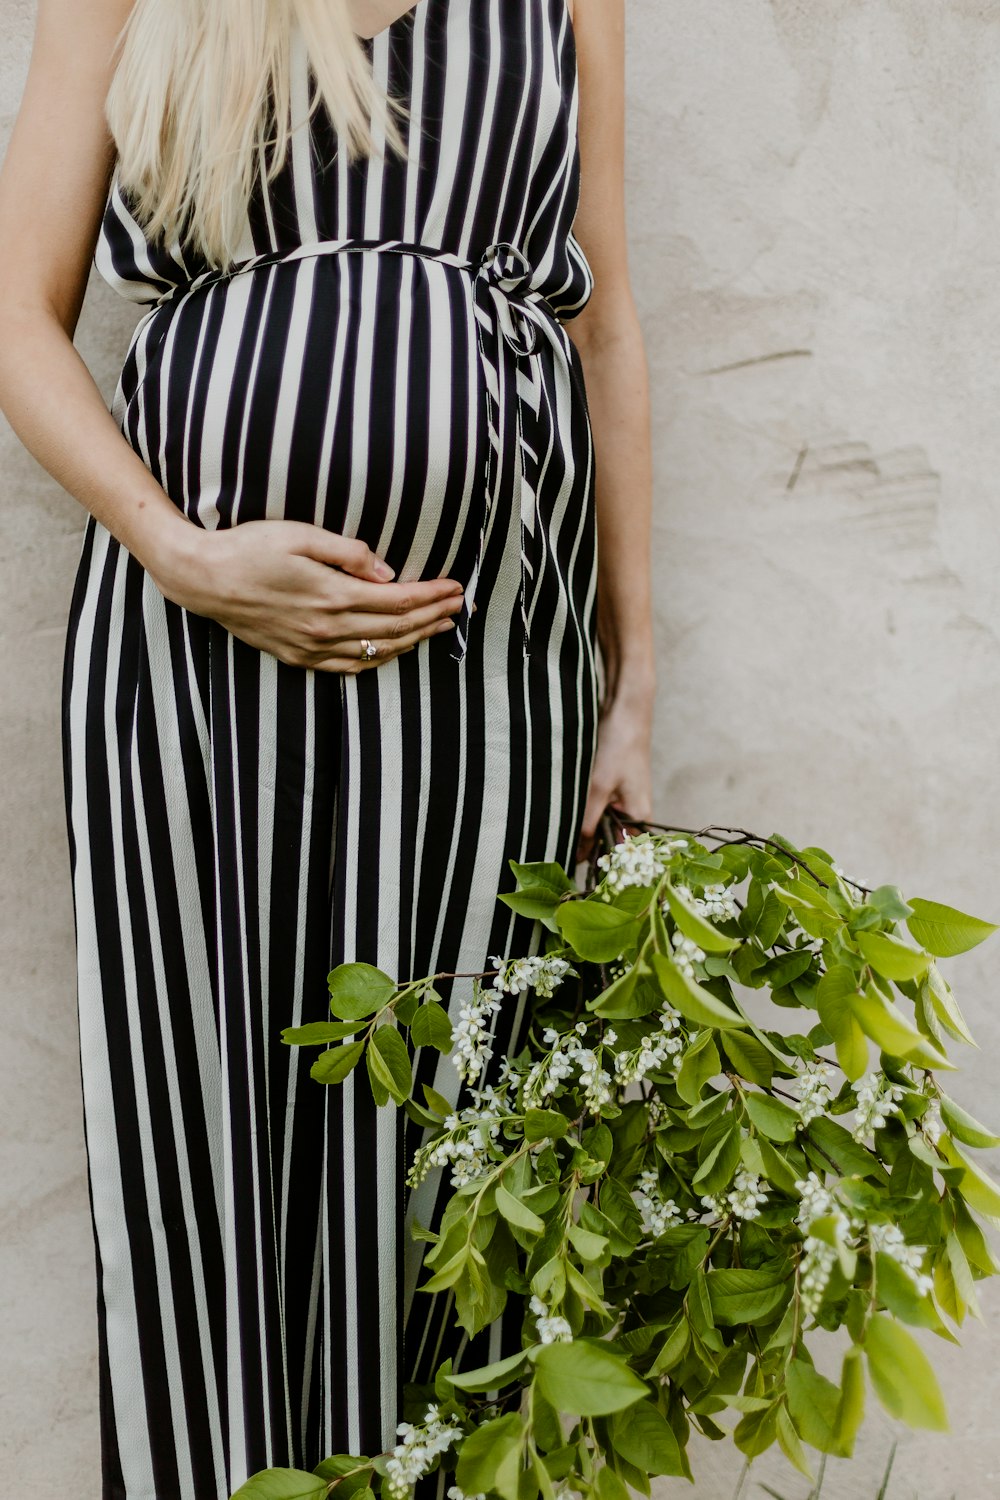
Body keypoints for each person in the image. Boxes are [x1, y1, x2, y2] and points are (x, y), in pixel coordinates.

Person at [0, 0, 655, 1494]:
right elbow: (10, 312)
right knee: (209, 1138)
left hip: (494, 669)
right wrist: (178, 550)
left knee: (452, 1149)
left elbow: (602, 315)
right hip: (188, 662)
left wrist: (636, 673)